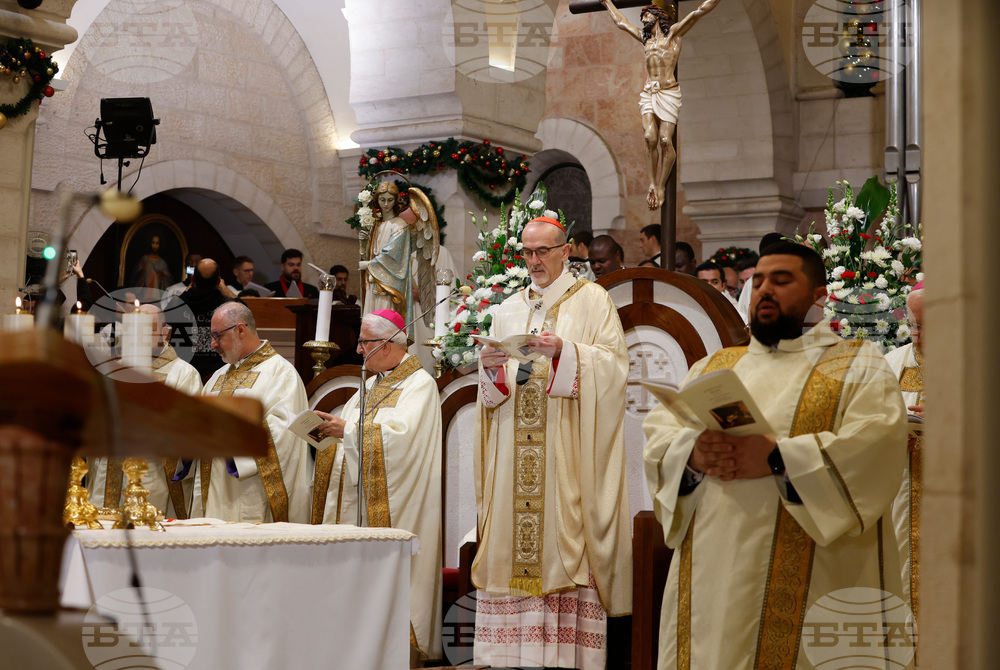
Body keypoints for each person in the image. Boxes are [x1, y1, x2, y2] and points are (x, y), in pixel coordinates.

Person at [643, 242, 908, 669]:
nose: (765, 290)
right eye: (760, 280)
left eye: (782, 280)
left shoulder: (857, 365)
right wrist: (692, 454)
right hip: (714, 570)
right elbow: (660, 434)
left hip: (813, 578)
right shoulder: (713, 368)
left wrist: (777, 458)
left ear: (819, 295)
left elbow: (873, 449)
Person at [474, 216, 632, 669]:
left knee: (563, 537)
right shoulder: (507, 307)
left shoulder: (593, 300)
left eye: (543, 251)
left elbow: (615, 368)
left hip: (564, 448)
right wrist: (487, 366)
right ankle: (508, 656)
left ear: (567, 252)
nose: (534, 260)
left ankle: (564, 658)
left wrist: (567, 351)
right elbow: (494, 393)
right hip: (511, 448)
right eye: (526, 252)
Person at [316, 309, 442, 661]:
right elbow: (354, 433)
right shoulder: (368, 385)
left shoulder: (419, 384)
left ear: (386, 344)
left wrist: (349, 433)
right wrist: (329, 432)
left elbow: (402, 442)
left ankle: (394, 653)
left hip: (396, 505)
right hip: (355, 504)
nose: (357, 350)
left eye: (363, 342)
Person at [179, 301, 310, 523]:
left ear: (240, 330)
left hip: (248, 493)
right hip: (211, 492)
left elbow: (286, 433)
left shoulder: (281, 373)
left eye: (217, 336)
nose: (213, 344)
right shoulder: (218, 376)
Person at [601, 0, 721, 209]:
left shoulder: (673, 35)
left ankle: (661, 186)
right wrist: (607, 3)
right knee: (649, 137)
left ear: (657, 15)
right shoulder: (645, 39)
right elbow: (621, 23)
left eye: (646, 16)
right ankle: (652, 183)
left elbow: (698, 12)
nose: (643, 19)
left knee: (665, 140)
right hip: (649, 92)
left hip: (668, 92)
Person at [87, 303, 202, 518]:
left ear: (165, 332)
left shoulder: (183, 374)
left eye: (147, 329)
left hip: (151, 479)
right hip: (106, 477)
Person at [885, 283, 925, 631]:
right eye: (914, 324)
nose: (919, 335)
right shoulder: (892, 364)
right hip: (903, 488)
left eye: (929, 325)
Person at [167, 259, 234, 381]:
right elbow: (244, 310)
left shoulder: (177, 304)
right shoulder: (230, 306)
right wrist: (225, 288)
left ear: (192, 279)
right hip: (218, 374)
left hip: (183, 373)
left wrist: (187, 291)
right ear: (218, 281)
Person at [361, 181, 415, 326]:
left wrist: (369, 264)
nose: (385, 204)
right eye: (382, 199)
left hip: (388, 282)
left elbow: (393, 255)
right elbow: (370, 252)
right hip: (373, 279)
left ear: (396, 200)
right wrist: (364, 244)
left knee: (383, 323)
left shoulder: (400, 225)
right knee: (370, 323)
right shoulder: (375, 224)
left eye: (390, 200)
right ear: (376, 200)